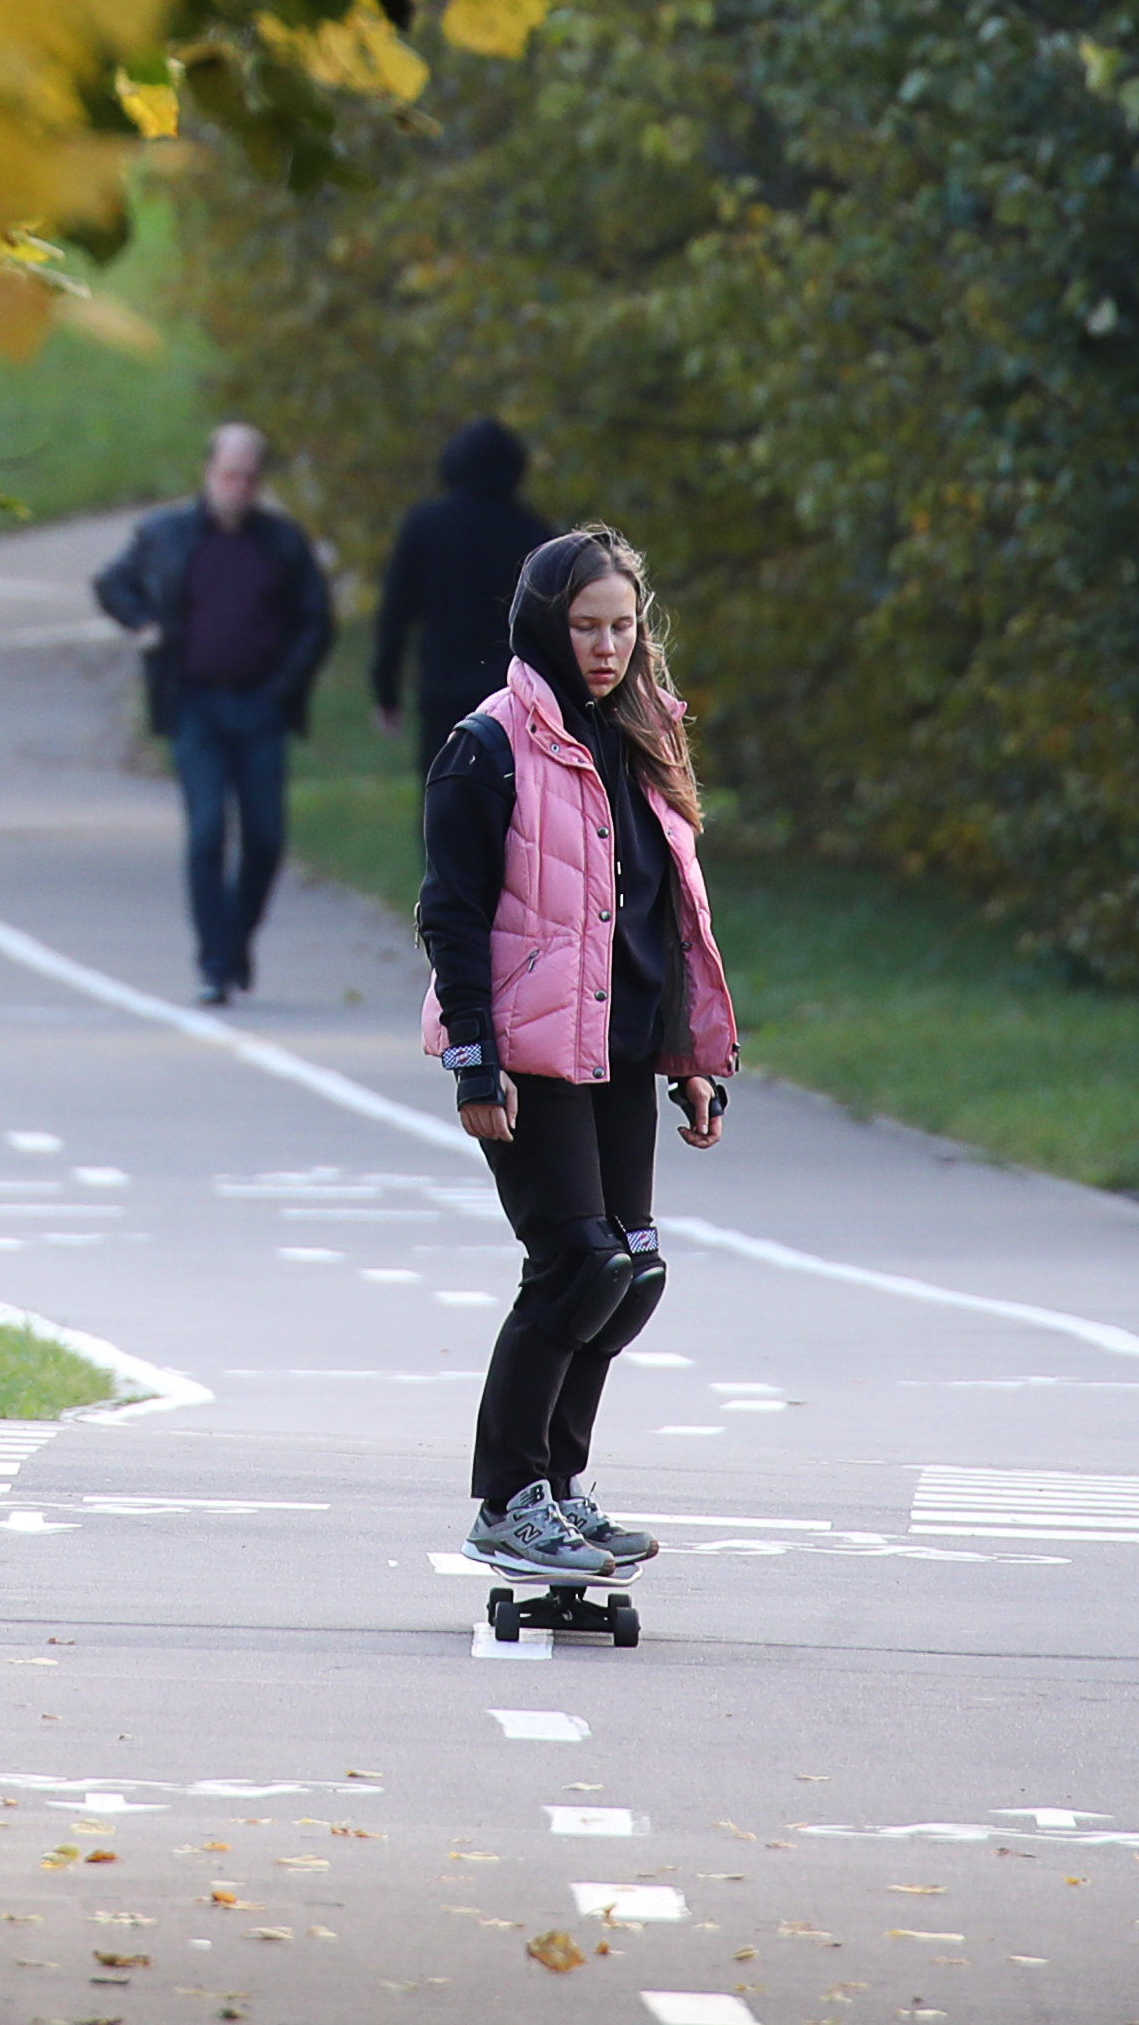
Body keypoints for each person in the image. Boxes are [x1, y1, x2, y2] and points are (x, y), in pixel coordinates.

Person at [419, 526, 737, 1584]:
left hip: (623, 1050)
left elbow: (667, 919)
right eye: (585, 625)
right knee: (576, 1264)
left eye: (621, 626)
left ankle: (556, 1488)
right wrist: (475, 1054)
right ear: (545, 624)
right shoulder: (491, 743)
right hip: (531, 1053)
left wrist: (692, 1053)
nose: (605, 647)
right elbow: (452, 915)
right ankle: (506, 1500)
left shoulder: (644, 737)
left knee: (630, 1273)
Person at [93, 423, 335, 1005]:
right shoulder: (168, 535)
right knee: (206, 832)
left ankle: (234, 939)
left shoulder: (281, 543)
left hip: (261, 705)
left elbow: (316, 621)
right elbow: (112, 583)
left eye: (249, 478)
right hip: (195, 703)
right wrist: (146, 626)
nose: (238, 487)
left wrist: (285, 685)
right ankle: (214, 962)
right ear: (209, 473)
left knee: (265, 836)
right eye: (229, 475)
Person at [370, 416, 553, 770]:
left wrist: (386, 693)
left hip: (443, 691)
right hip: (513, 694)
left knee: (445, 800)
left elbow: (394, 615)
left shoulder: (425, 526)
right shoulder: (532, 533)